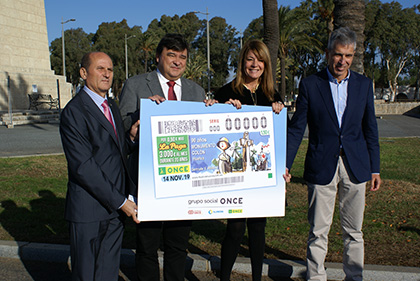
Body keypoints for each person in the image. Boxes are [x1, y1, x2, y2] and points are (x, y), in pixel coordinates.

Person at [285, 27, 381, 281]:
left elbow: (370, 128)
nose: (343, 61)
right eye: (338, 54)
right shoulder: (310, 85)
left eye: (348, 56)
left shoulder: (363, 85)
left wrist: (375, 168)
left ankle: (355, 276)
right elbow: (296, 130)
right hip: (321, 165)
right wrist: (285, 165)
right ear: (328, 54)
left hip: (356, 166)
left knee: (354, 231)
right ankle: (316, 276)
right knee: (318, 231)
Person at [119, 33, 212, 281]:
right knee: (147, 246)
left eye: (182, 57)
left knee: (177, 245)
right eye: (172, 55)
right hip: (147, 180)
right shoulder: (136, 84)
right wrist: (140, 116)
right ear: (159, 56)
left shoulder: (196, 91)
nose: (177, 62)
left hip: (184, 183)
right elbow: (121, 127)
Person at [60, 51, 140, 281]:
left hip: (115, 211)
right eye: (100, 69)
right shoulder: (74, 112)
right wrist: (121, 202)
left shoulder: (111, 105)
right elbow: (83, 166)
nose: (107, 74)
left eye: (110, 70)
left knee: (107, 273)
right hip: (89, 210)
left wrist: (131, 138)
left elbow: (112, 150)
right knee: (86, 274)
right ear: (84, 73)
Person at [214, 39, 284, 281]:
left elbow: (278, 137)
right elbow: (213, 126)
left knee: (257, 227)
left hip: (261, 175)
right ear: (242, 61)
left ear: (266, 64)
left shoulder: (272, 95)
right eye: (250, 59)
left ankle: (256, 278)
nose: (255, 64)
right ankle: (224, 276)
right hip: (235, 175)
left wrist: (279, 109)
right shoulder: (226, 92)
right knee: (234, 228)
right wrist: (221, 107)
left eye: (260, 60)